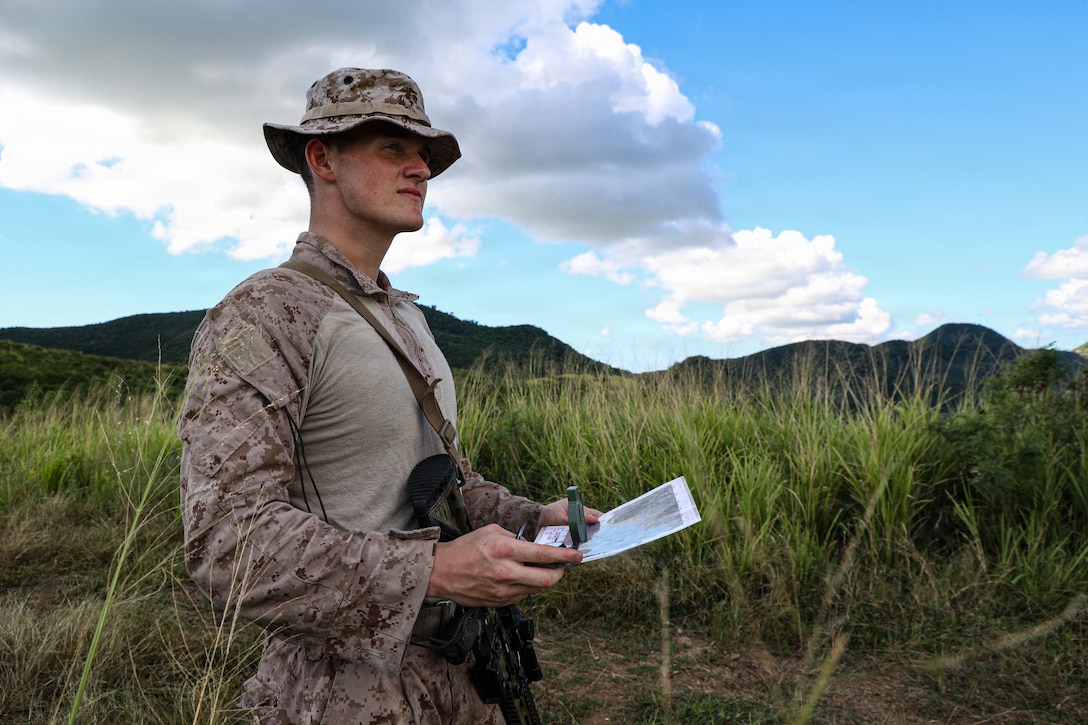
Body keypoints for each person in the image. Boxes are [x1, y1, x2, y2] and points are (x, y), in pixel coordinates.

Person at [178, 67, 600, 724]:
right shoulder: (264, 313)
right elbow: (228, 544)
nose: (421, 169)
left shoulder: (408, 320)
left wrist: (527, 517)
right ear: (322, 158)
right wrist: (432, 570)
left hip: (463, 675)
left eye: (425, 155)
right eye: (393, 148)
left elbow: (439, 484)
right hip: (343, 692)